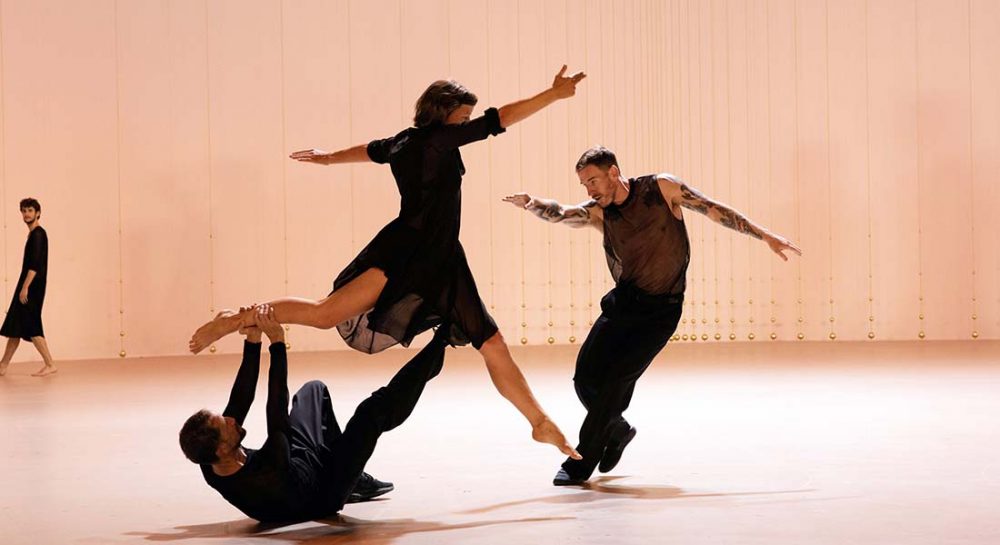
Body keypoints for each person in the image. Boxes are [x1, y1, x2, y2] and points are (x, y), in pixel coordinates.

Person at [189, 67, 588, 459]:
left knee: (491, 341)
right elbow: (500, 119)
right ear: (442, 114)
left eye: (466, 120)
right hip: (408, 254)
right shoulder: (437, 141)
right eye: (461, 118)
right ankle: (234, 318)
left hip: (445, 259)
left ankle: (539, 421)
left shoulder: (403, 142)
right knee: (327, 313)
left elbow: (369, 150)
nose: (465, 125)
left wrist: (329, 159)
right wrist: (553, 95)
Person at [502, 145, 802, 485]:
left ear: (614, 172)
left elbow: (713, 209)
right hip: (623, 304)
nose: (590, 190)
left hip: (660, 311)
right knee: (585, 379)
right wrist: (531, 203)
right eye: (585, 184)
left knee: (616, 381)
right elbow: (562, 213)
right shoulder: (600, 211)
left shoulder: (661, 188)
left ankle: (580, 461)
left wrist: (765, 236)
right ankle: (616, 430)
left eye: (593, 181)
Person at [180, 304, 449, 523]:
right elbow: (276, 411)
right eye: (225, 424)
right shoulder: (267, 473)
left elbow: (241, 399)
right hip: (324, 492)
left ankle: (348, 464)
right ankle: (443, 341)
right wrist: (276, 342)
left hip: (301, 464)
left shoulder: (210, 460)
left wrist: (253, 340)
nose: (230, 419)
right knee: (371, 413)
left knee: (313, 391)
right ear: (222, 448)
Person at [0, 198, 55, 377]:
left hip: (31, 286)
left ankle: (50, 364)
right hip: (27, 285)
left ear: (38, 213)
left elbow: (35, 265)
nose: (26, 214)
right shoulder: (33, 234)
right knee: (15, 323)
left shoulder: (39, 234)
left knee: (32, 325)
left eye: (30, 210)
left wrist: (25, 288)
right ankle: (3, 365)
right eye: (24, 211)